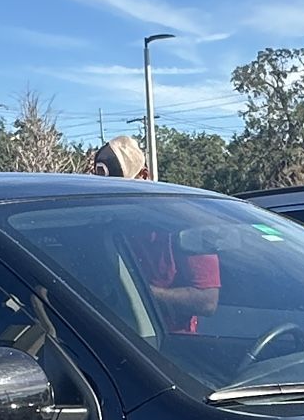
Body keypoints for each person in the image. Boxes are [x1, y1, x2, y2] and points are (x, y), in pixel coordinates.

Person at [86, 136, 220, 333]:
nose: (115, 198)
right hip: (101, 340)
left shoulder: (182, 225)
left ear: (144, 176)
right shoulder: (93, 226)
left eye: (123, 187)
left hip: (168, 346)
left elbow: (207, 301)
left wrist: (142, 293)